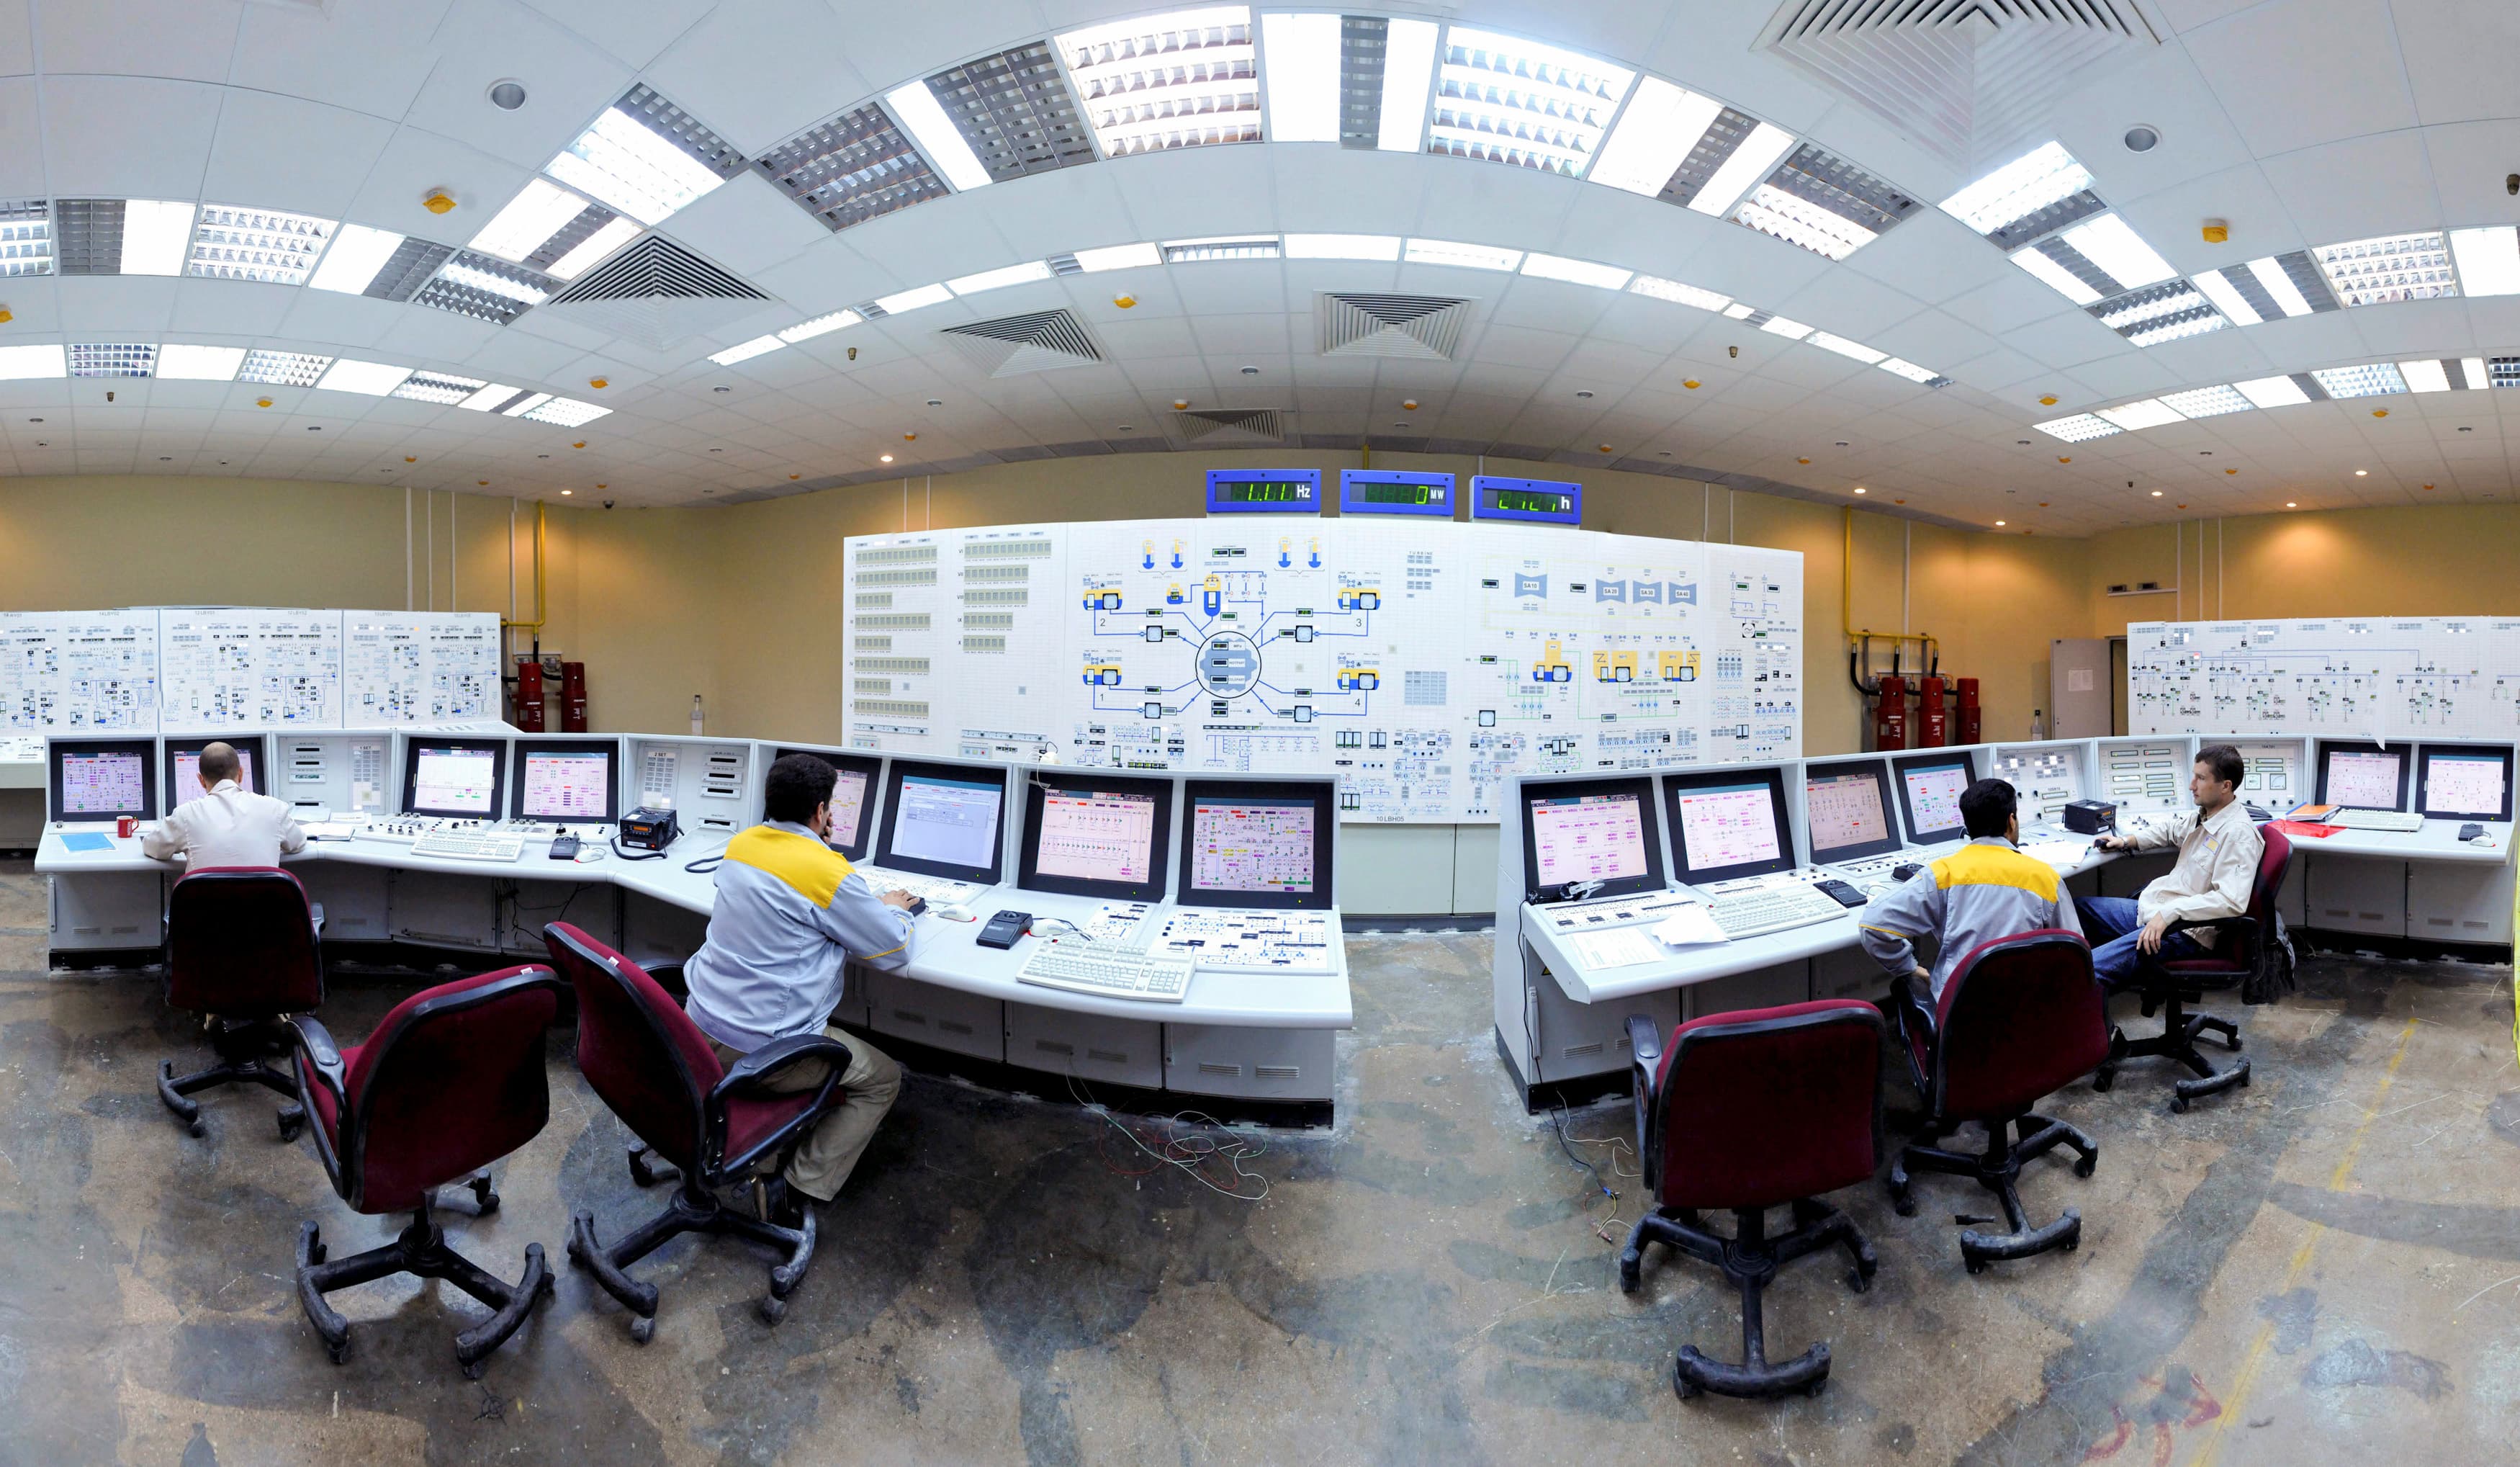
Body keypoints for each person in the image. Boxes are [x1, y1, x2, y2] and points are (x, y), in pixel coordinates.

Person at [683, 753, 916, 1222]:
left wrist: (822, 857)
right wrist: (896, 907)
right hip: (764, 1055)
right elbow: (895, 950)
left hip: (695, 1031)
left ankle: (764, 1146)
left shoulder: (742, 844)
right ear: (821, 811)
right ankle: (795, 1187)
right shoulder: (825, 871)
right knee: (883, 1078)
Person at [1859, 778, 2079, 1002]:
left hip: (1959, 1014)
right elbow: (2076, 954)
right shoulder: (2045, 878)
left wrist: (1908, 967)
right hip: (2028, 1009)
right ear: (2011, 821)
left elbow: (1873, 924)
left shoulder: (1942, 874)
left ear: (1968, 825)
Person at [2079, 743, 2264, 990]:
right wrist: (2126, 841)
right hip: (2160, 912)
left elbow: (2231, 901)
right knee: (2078, 910)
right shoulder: (2206, 815)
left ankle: (2092, 1017)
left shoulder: (2238, 834)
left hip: (2187, 932)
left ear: (2225, 786)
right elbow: (2169, 831)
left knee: (2090, 968)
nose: (2192, 785)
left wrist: (2170, 914)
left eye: (2200, 778)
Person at [142, 742, 307, 869]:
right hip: (261, 912)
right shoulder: (275, 809)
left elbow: (153, 847)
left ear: (201, 780)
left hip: (205, 913)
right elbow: (298, 843)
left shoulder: (186, 815)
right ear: (240, 773)